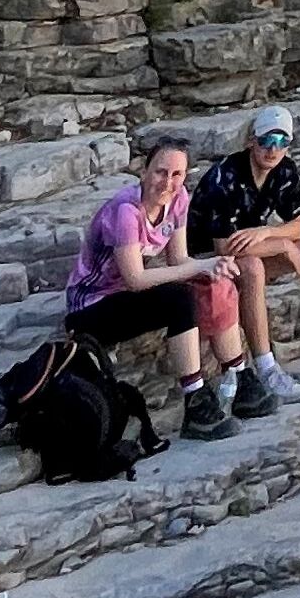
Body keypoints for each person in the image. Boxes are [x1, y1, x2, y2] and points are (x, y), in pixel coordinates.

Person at [63, 135, 266, 440]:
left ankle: (238, 377)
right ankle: (196, 402)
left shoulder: (179, 199)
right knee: (179, 298)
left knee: (214, 283)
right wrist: (201, 266)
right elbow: (135, 279)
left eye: (176, 174)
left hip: (125, 295)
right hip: (90, 307)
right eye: (160, 172)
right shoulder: (126, 212)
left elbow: (179, 259)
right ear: (144, 172)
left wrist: (211, 270)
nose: (167, 182)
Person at [188, 102, 300, 399]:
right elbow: (225, 247)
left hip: (249, 246)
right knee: (251, 268)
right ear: (252, 141)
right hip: (205, 261)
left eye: (281, 142)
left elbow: (298, 223)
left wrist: (271, 232)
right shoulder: (223, 179)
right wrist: (282, 246)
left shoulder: (283, 171)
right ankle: (266, 368)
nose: (272, 150)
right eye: (266, 142)